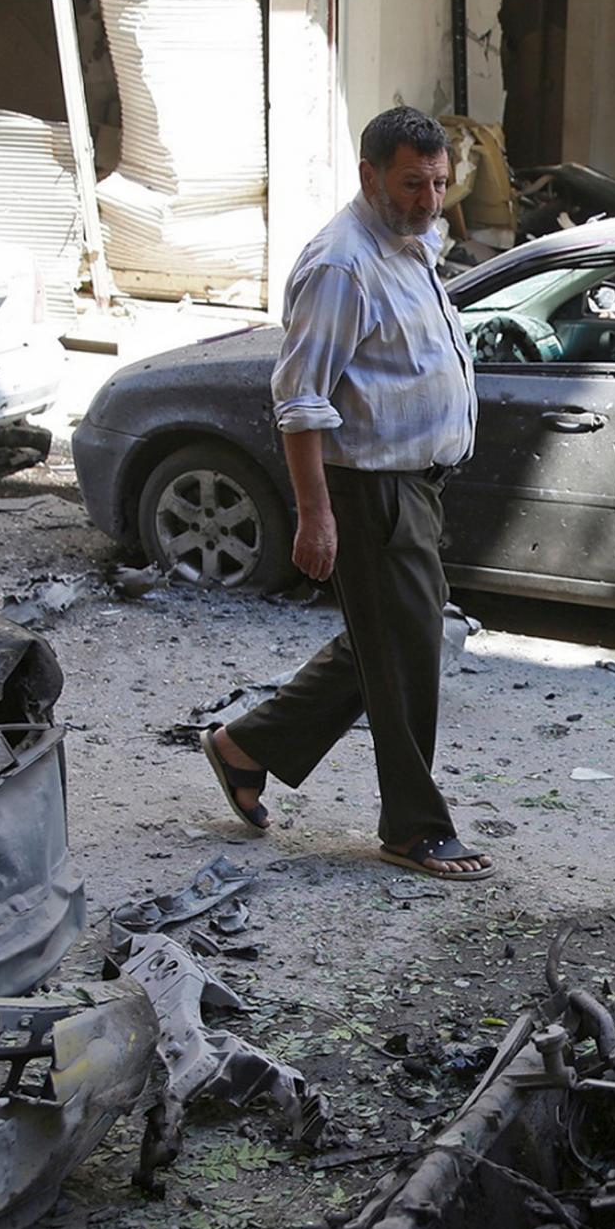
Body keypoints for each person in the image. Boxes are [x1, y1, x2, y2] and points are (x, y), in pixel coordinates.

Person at [201, 105, 493, 881]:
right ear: (369, 176)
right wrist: (315, 511)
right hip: (370, 491)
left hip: (416, 486)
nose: (431, 199)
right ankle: (414, 827)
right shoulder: (341, 263)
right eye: (412, 183)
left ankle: (245, 746)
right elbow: (299, 397)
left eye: (439, 182)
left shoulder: (414, 243)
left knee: (389, 643)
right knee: (405, 657)